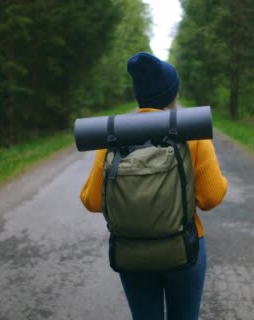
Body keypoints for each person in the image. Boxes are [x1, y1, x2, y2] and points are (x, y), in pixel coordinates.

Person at [79, 52, 228, 320]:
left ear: (139, 95)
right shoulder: (190, 132)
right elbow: (211, 197)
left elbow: (92, 201)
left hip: (131, 253)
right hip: (184, 248)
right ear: (173, 94)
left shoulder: (113, 135)